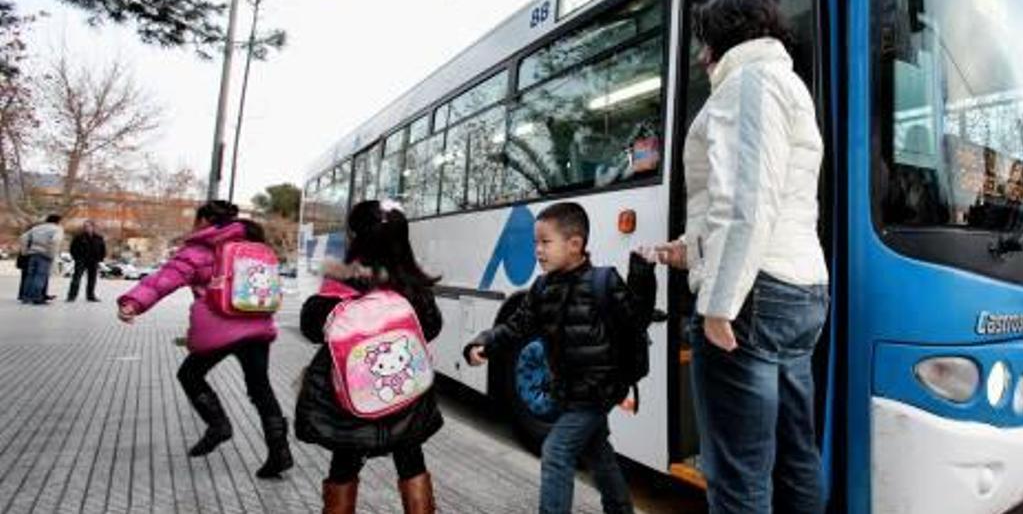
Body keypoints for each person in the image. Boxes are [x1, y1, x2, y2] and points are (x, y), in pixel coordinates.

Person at [651, 0, 830, 514]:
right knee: (795, 457)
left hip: (754, 297)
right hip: (798, 292)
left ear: (719, 39)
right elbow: (769, 200)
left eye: (704, 41)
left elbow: (747, 201)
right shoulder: (786, 83)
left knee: (738, 474)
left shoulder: (747, 83)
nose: (702, 55)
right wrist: (687, 249)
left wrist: (718, 303)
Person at [465, 202, 656, 514]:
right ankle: (620, 509)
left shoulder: (603, 281)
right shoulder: (542, 288)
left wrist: (642, 274)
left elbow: (636, 319)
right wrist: (485, 341)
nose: (538, 250)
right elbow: (517, 326)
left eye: (545, 242)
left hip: (599, 389)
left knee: (556, 451)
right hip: (567, 389)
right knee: (598, 453)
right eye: (535, 243)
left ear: (575, 245)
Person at [116, 201, 294, 479]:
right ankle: (279, 452)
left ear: (205, 220)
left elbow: (165, 279)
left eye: (196, 219)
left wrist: (134, 304)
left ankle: (218, 424)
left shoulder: (199, 249)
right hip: (257, 325)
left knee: (189, 374)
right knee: (261, 389)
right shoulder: (257, 245)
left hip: (220, 326)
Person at [295, 200, 444, 514]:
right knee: (411, 461)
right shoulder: (413, 287)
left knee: (344, 466)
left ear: (356, 239)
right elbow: (431, 327)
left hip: (350, 402)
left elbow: (311, 328)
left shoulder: (341, 284)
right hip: (405, 399)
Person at [18, 215, 64, 305]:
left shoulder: (37, 228)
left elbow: (23, 237)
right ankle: (37, 297)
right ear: (58, 221)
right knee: (40, 276)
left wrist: (25, 251)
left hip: (32, 254)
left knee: (30, 276)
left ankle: (26, 297)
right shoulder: (57, 229)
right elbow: (55, 241)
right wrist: (51, 254)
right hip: (44, 255)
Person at [67, 220, 107, 302]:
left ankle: (90, 295)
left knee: (92, 279)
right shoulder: (78, 237)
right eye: (85, 226)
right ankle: (71, 296)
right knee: (76, 278)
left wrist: (100, 258)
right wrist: (76, 257)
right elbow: (72, 248)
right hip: (81, 260)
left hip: (93, 260)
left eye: (88, 226)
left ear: (93, 227)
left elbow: (103, 249)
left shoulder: (98, 237)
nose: (86, 228)